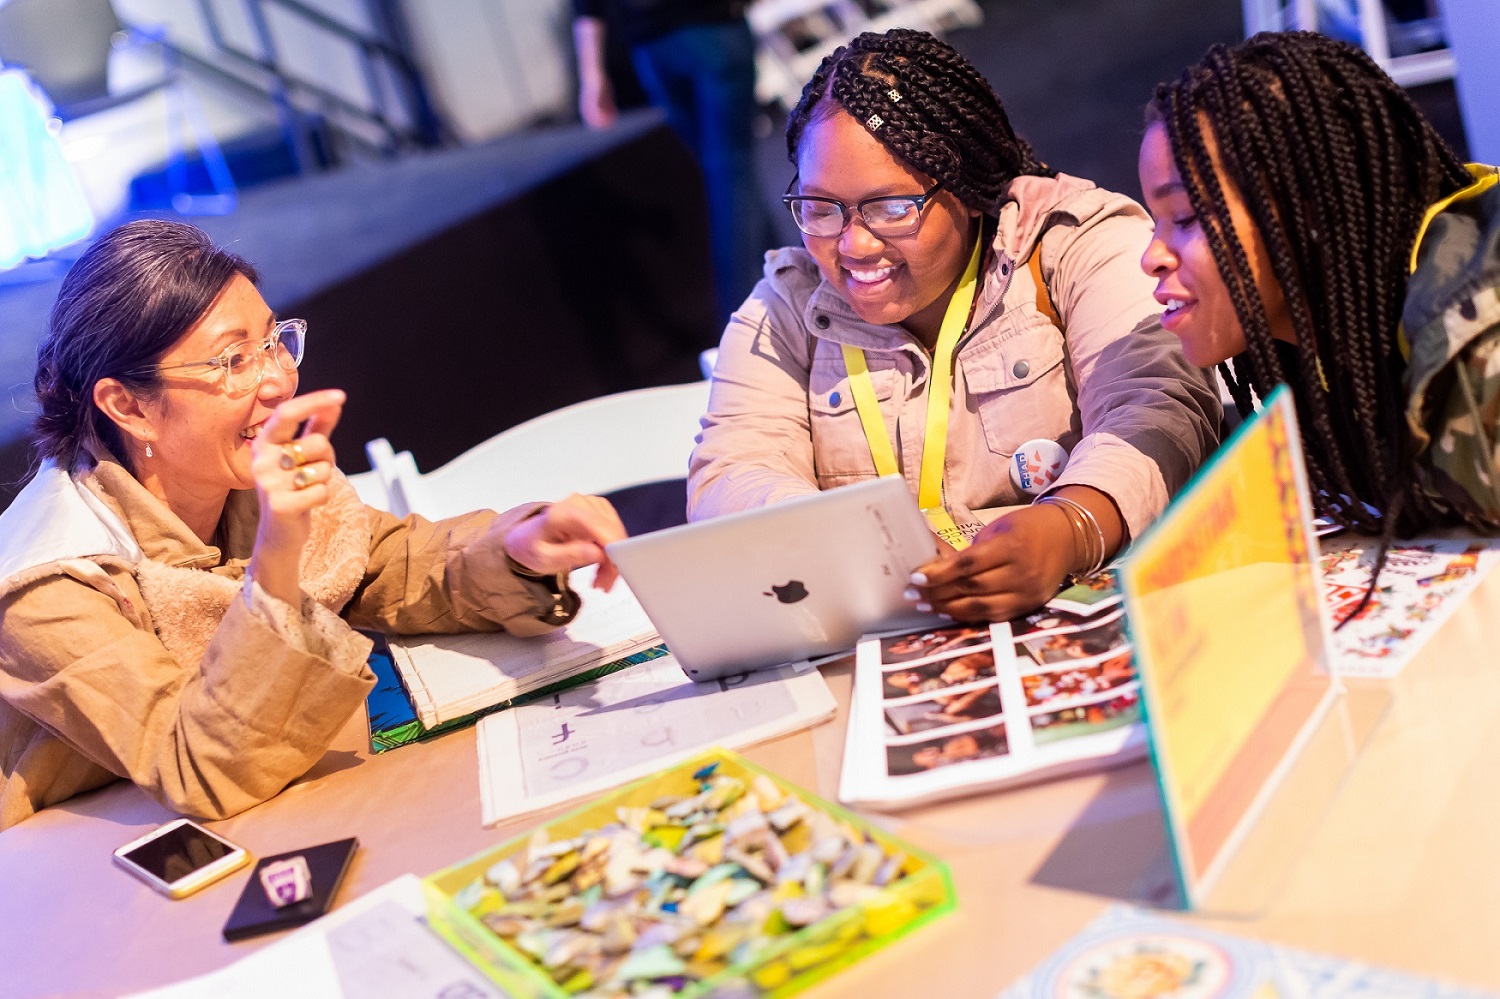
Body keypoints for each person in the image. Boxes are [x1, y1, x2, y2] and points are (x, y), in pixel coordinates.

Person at [0, 220, 628, 830]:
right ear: (129, 406)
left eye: (274, 342)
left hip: (250, 818)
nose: (277, 380)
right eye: (231, 361)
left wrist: (516, 549)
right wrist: (279, 551)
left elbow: (390, 562)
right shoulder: (53, 583)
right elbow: (196, 767)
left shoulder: (238, 482)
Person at [688, 29, 1222, 622]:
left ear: (968, 190)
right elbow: (730, 473)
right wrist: (856, 543)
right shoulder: (784, 309)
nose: (853, 243)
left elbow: (1157, 404)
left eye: (892, 207)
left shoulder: (1076, 246)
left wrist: (1069, 526)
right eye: (820, 209)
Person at [1139, 31, 1498, 542]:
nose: (1151, 257)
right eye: (1156, 222)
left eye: (1186, 217)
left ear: (1306, 212)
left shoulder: (1482, 353)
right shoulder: (1322, 357)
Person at [571, 0, 773, 327]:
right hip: (711, 31)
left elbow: (586, 6)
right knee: (731, 175)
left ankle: (790, 276)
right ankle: (741, 318)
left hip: (653, 52)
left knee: (728, 178)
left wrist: (592, 76)